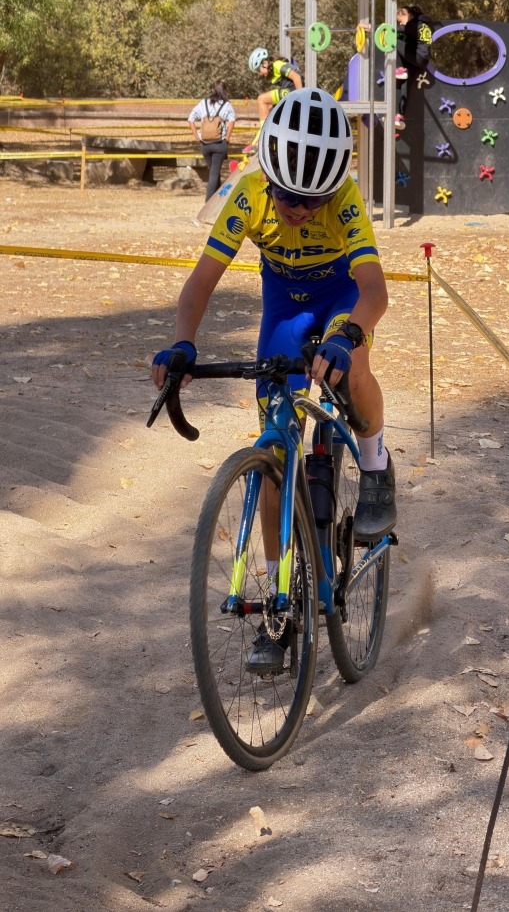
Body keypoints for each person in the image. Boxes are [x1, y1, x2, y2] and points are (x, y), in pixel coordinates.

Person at [152, 87, 396, 672]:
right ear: (271, 178)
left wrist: (348, 335)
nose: (298, 209)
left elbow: (374, 292)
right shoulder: (250, 193)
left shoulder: (344, 199)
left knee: (354, 366)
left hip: (338, 300)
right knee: (275, 456)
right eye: (287, 195)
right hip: (283, 309)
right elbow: (201, 281)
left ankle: (375, 462)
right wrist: (184, 343)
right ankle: (277, 605)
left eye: (312, 201)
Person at [245, 47, 303, 152]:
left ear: (265, 63)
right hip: (290, 92)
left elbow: (296, 77)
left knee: (261, 99)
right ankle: (264, 140)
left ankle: (263, 135)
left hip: (294, 91)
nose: (259, 74)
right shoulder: (273, 69)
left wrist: (301, 98)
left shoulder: (277, 65)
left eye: (258, 70)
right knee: (271, 111)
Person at [188, 81, 236, 201]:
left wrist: (197, 137)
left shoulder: (203, 103)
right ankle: (208, 203)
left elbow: (190, 119)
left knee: (214, 172)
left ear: (212, 90)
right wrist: (227, 138)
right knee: (214, 174)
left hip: (205, 144)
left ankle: (218, 201)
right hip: (219, 144)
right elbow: (232, 121)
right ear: (224, 91)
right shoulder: (227, 105)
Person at [395, 5, 434, 131]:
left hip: (417, 56)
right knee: (405, 85)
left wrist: (372, 27)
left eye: (400, 20)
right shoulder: (424, 25)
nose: (400, 23)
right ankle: (399, 116)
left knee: (392, 41)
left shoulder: (413, 24)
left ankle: (399, 69)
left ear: (406, 15)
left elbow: (394, 30)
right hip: (421, 61)